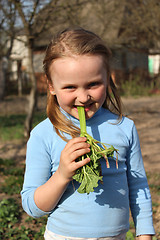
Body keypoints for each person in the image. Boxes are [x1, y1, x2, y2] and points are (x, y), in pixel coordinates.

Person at [21, 27, 155, 240]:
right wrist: (63, 175)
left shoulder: (124, 127)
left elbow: (138, 185)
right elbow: (33, 207)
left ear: (107, 78)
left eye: (93, 84)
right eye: (70, 87)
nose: (83, 97)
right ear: (51, 86)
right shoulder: (43, 134)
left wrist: (145, 234)